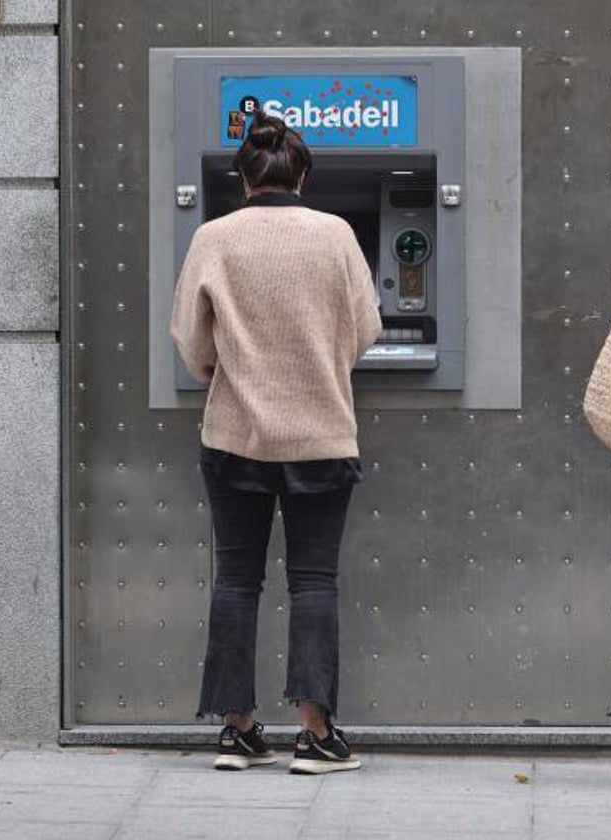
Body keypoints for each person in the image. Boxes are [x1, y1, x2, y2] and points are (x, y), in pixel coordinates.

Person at [170, 110, 381, 774]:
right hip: (321, 433)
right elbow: (367, 330)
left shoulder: (213, 237)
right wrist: (320, 362)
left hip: (235, 435)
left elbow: (191, 341)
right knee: (314, 580)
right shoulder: (337, 234)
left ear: (242, 179)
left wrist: (228, 372)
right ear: (305, 175)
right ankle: (316, 736)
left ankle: (236, 730)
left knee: (237, 579)